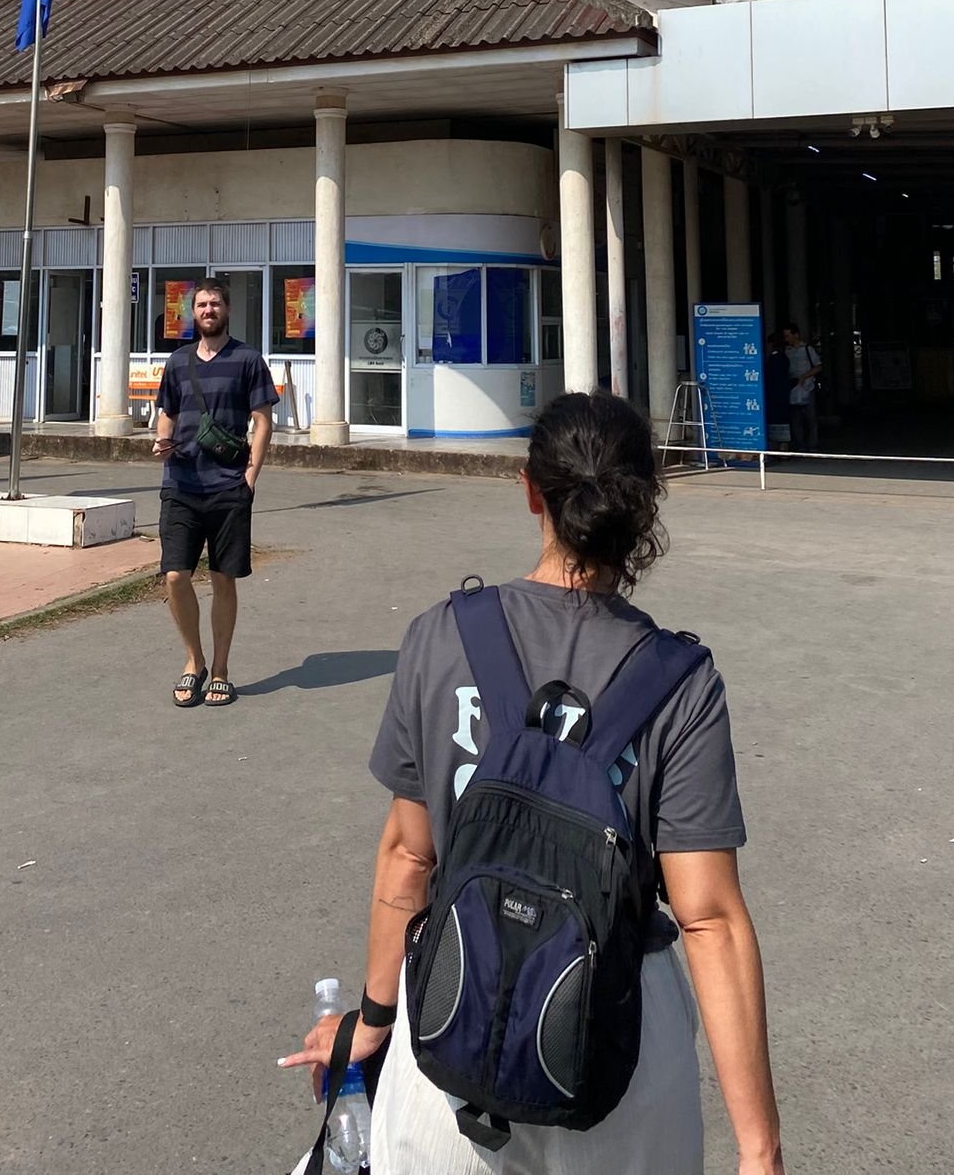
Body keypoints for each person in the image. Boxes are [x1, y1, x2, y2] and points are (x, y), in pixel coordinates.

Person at [281, 389, 784, 1175]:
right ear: (645, 504)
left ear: (529, 491)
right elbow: (709, 918)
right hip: (619, 1049)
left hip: (448, 1025)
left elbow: (408, 860)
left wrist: (374, 1021)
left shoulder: (443, 634)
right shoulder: (679, 681)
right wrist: (760, 1149)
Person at [152, 275, 276, 709]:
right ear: (194, 312)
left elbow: (263, 421)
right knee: (175, 575)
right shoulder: (179, 361)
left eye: (214, 304)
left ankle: (220, 669)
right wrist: (161, 442)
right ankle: (194, 661)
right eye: (201, 305)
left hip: (228, 486)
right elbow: (166, 412)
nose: (208, 311)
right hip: (182, 485)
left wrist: (250, 476)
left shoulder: (247, 359)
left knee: (224, 579)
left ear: (226, 310)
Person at [782, 323, 821, 452]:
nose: (786, 338)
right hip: (793, 387)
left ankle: (813, 446)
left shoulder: (807, 349)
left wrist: (804, 376)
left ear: (796, 335)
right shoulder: (787, 351)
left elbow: (818, 366)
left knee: (811, 419)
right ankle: (801, 446)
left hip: (807, 387)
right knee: (796, 420)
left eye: (788, 335)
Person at [763, 330, 792, 452]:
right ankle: (783, 448)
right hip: (784, 393)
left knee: (775, 419)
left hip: (773, 393)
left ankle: (778, 448)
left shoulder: (773, 359)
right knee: (784, 419)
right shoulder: (784, 357)